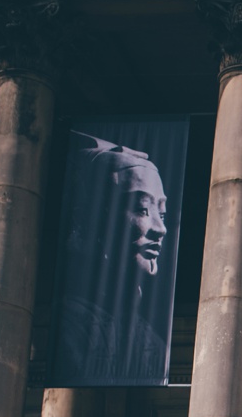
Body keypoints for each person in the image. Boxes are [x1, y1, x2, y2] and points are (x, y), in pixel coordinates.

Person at [53, 131, 173, 384]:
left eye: (161, 214)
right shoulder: (67, 327)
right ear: (95, 218)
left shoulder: (153, 342)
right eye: (142, 209)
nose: (160, 229)